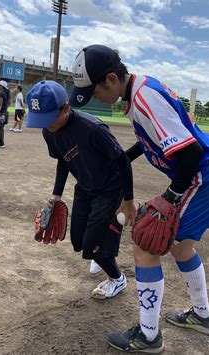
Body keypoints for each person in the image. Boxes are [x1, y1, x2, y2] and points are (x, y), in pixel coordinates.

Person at [69, 44, 209, 353]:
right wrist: (122, 158)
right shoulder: (140, 89)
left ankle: (148, 336)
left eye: (95, 91)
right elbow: (153, 140)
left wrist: (170, 198)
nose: (95, 98)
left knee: (145, 243)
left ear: (112, 79)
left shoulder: (143, 99)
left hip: (203, 175)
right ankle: (202, 316)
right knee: (182, 248)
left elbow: (191, 154)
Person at [26, 80, 137, 299]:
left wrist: (128, 199)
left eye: (49, 118)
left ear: (65, 108)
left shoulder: (92, 129)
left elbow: (123, 161)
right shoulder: (49, 131)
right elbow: (63, 161)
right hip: (85, 188)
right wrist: (56, 194)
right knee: (78, 242)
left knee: (93, 248)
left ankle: (117, 279)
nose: (46, 125)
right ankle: (100, 239)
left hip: (108, 189)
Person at [0, 80, 11, 148]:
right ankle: (0, 142)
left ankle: (1, 144)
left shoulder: (1, 94)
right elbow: (9, 103)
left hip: (1, 114)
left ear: (2, 86)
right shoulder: (6, 94)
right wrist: (5, 109)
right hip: (5, 113)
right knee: (1, 128)